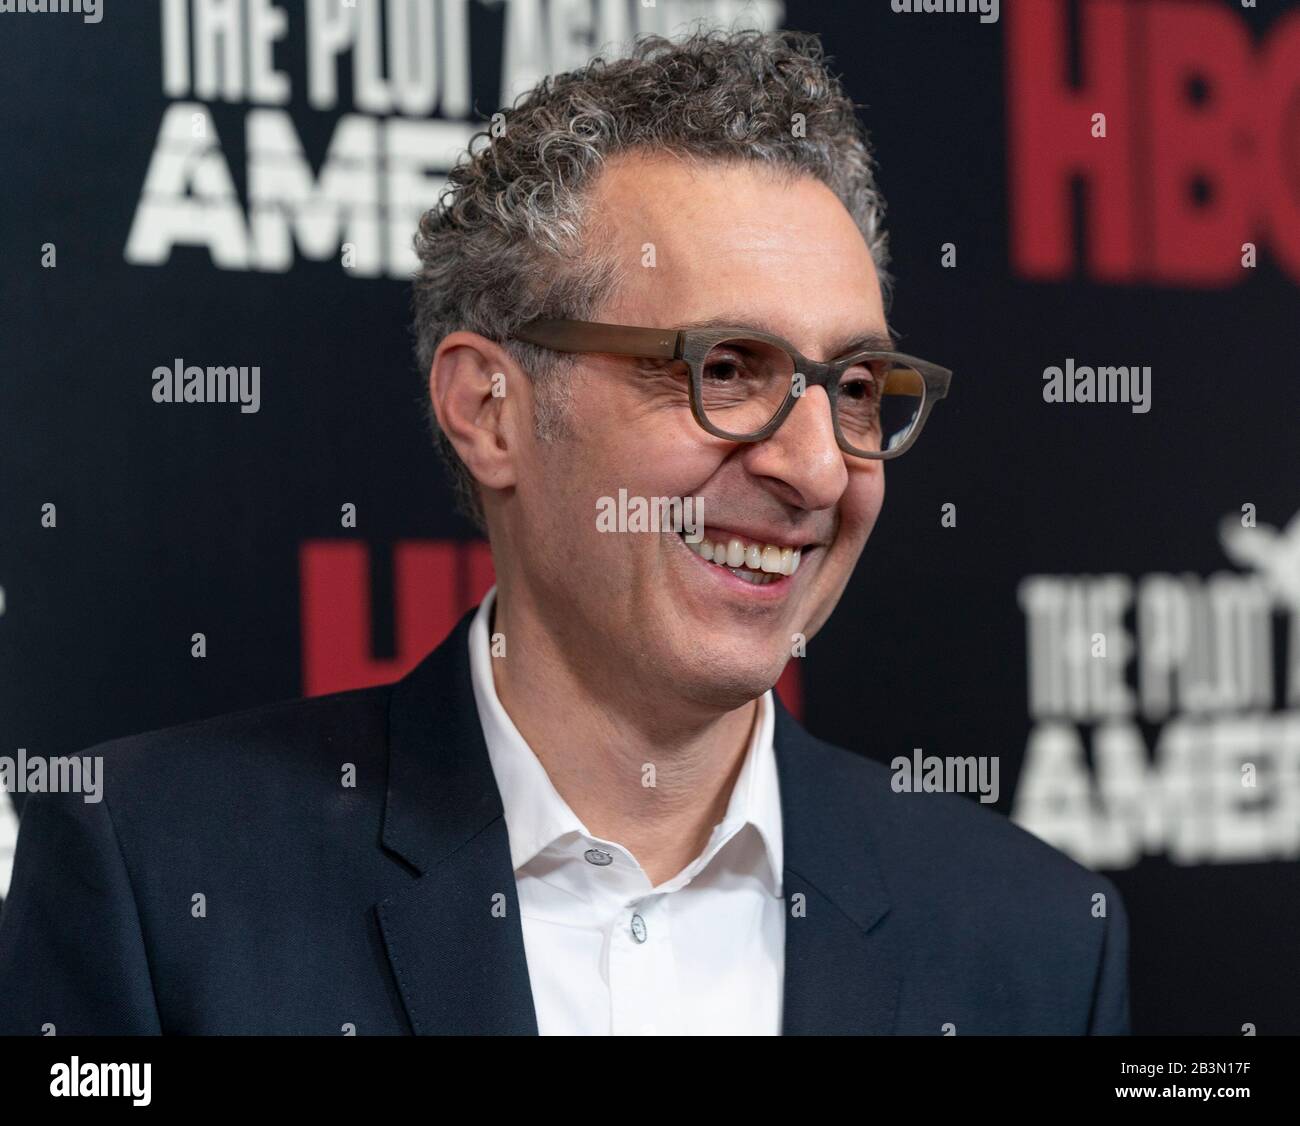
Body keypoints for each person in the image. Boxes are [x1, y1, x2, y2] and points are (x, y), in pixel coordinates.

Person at [0, 27, 1128, 1035]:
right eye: (726, 369)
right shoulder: (153, 880)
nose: (818, 467)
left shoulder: (1034, 944)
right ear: (491, 408)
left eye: (854, 384)